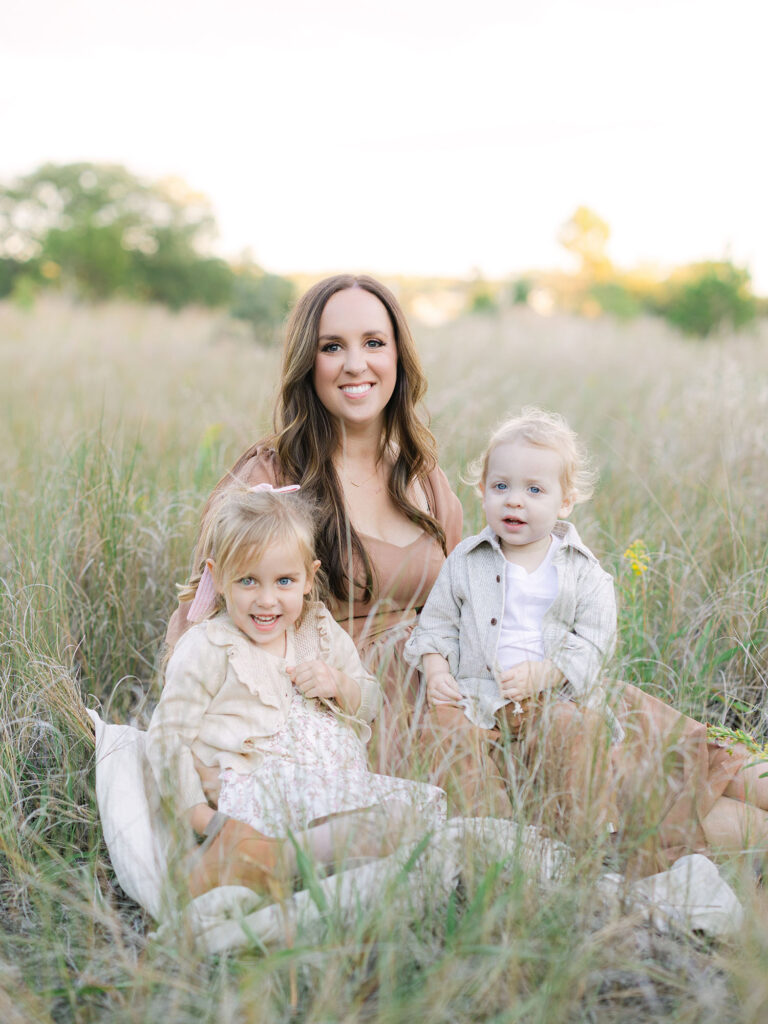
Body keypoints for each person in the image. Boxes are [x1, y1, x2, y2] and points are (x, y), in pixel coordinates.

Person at [406, 408, 768, 874]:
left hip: (557, 695)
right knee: (473, 747)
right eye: (501, 487)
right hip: (481, 700)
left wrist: (549, 670)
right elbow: (436, 623)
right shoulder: (465, 560)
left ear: (565, 502)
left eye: (534, 490)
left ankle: (591, 835)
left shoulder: (583, 571)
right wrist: (436, 668)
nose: (514, 501)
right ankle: (542, 844)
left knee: (577, 732)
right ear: (482, 491)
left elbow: (595, 640)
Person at [166, 274, 463, 777]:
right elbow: (201, 620)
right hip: (329, 704)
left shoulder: (423, 474)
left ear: (397, 357)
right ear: (309, 362)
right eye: (332, 347)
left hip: (434, 682)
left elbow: (462, 600)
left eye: (373, 343)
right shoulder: (270, 477)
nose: (355, 364)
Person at [147, 485, 444, 898]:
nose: (267, 600)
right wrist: (201, 816)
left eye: (284, 580)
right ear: (217, 577)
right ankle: (246, 853)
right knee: (381, 827)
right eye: (248, 581)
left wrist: (339, 684)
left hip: (331, 788)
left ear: (308, 577)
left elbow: (371, 699)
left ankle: (269, 861)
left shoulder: (318, 630)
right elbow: (167, 736)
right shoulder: (210, 646)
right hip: (261, 787)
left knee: (415, 814)